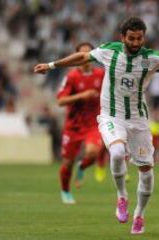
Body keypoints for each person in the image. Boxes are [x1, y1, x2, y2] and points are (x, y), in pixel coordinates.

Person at [34, 17, 159, 234]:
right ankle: (122, 196)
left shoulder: (152, 57)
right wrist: (51, 65)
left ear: (144, 37)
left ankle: (139, 216)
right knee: (116, 152)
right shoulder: (110, 51)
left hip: (138, 121)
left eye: (139, 38)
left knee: (146, 171)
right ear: (122, 37)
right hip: (111, 117)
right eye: (131, 38)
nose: (135, 42)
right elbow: (82, 57)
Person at [55, 42, 105, 204]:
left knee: (93, 152)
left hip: (93, 123)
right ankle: (65, 191)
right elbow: (60, 101)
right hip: (73, 126)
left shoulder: (101, 75)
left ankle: (82, 167)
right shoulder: (72, 77)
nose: (85, 58)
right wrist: (81, 96)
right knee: (67, 163)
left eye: (88, 54)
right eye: (81, 55)